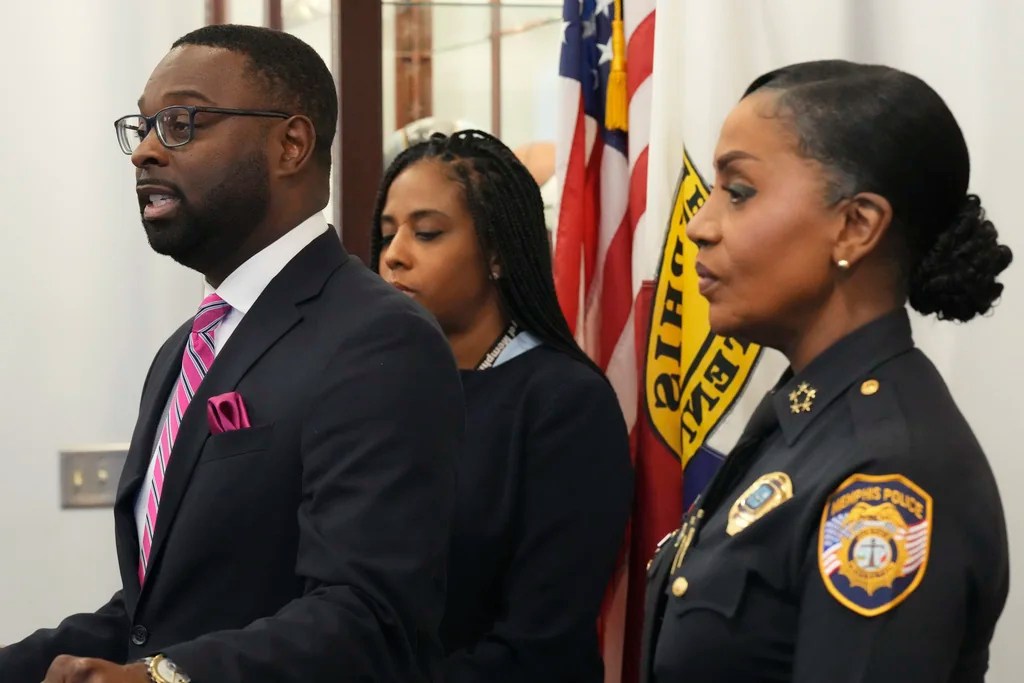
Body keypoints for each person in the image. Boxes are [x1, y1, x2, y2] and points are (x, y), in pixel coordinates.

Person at [0, 25, 464, 683]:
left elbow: (368, 619)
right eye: (144, 127)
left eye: (183, 122)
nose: (147, 152)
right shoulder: (184, 352)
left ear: (292, 144)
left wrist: (160, 677)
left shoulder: (378, 340)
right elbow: (151, 617)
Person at [641, 60, 1012, 682]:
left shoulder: (888, 473)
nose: (700, 227)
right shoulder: (806, 418)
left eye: (738, 192)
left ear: (855, 226)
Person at [373, 129, 633, 682]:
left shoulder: (564, 403)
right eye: (387, 233)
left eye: (426, 233)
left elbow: (543, 642)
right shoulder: (374, 387)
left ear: (496, 252)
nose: (394, 256)